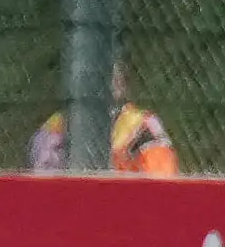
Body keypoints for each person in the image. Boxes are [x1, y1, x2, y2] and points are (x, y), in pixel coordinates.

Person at [31, 65, 181, 176]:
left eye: (111, 79)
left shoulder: (141, 124)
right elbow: (42, 177)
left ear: (123, 87)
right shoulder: (57, 124)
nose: (100, 86)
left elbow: (161, 178)